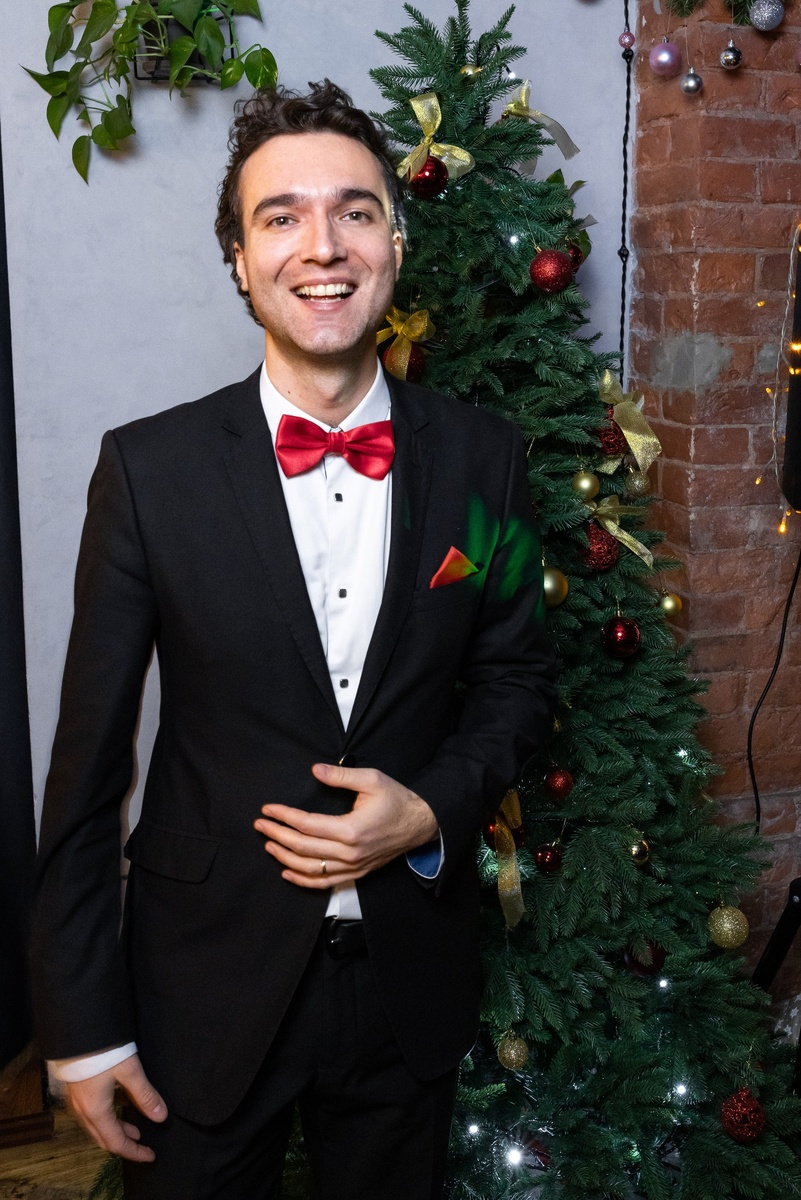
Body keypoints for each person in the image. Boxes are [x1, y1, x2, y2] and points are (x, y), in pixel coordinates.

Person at [29, 81, 557, 1199]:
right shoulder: (147, 472)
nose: (323, 246)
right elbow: (86, 767)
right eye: (281, 217)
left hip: (408, 984)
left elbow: (518, 680)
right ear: (239, 258)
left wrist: (428, 808)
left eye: (355, 212)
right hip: (201, 984)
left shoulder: (486, 461)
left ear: (395, 244)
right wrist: (82, 1026)